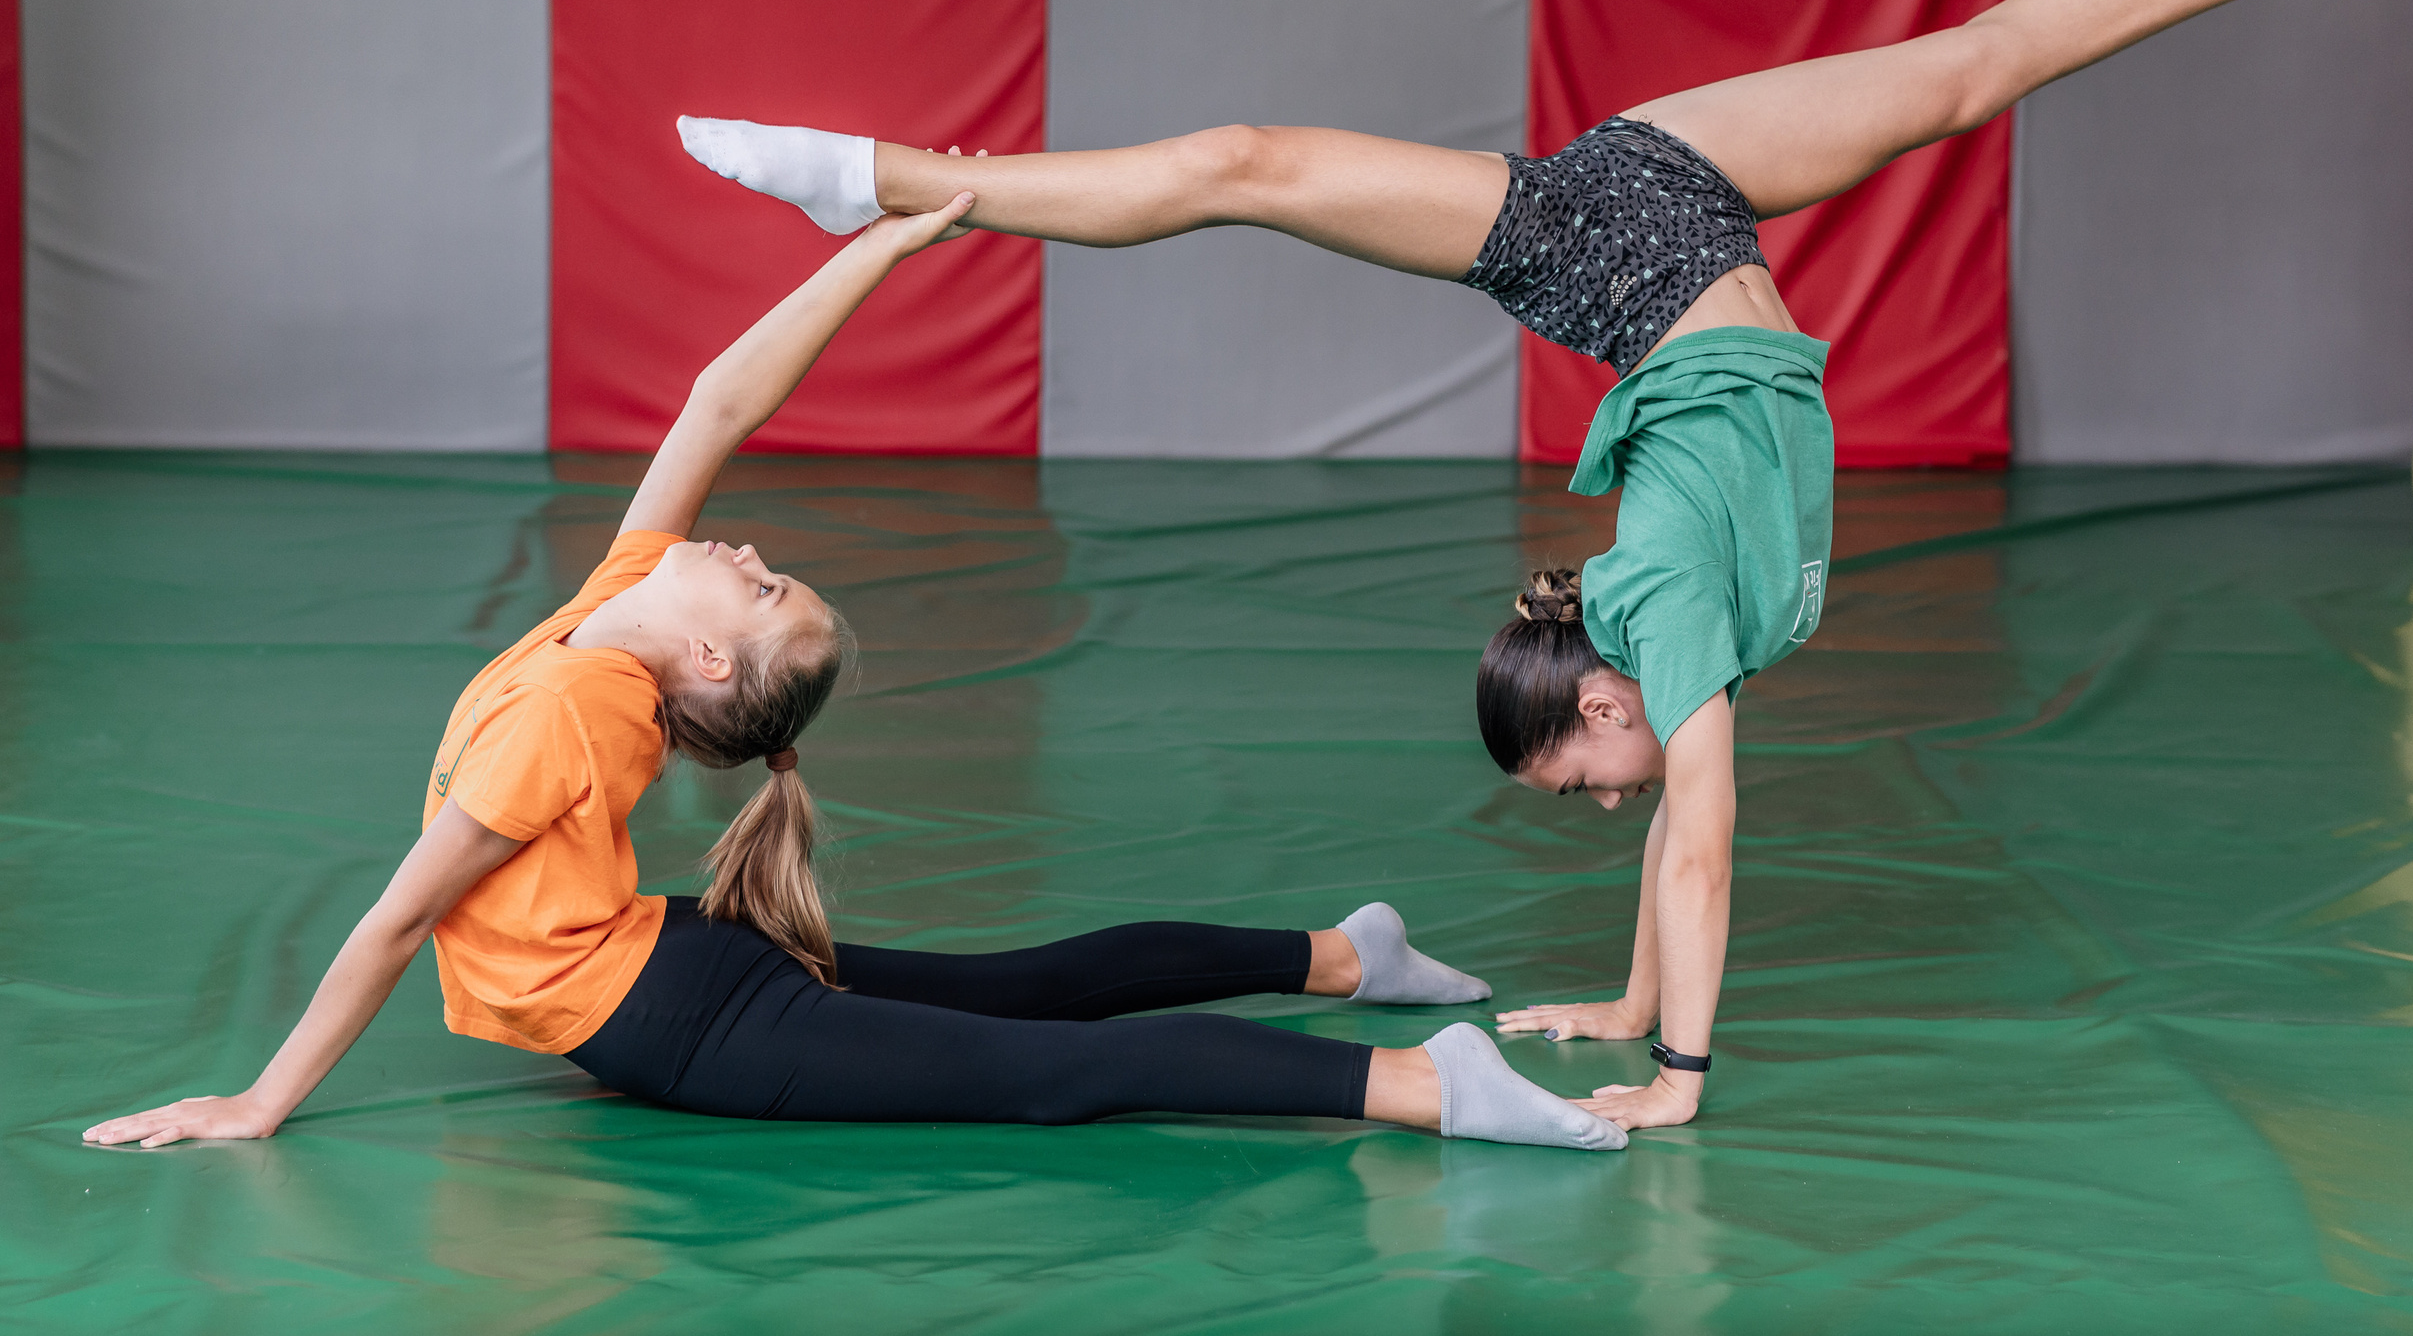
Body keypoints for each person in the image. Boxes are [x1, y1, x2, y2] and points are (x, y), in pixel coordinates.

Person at [672, 0, 2413, 1135]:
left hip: (1610, 248)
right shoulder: (1660, 641)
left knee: (1242, 171)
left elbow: (1695, 838)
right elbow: (1673, 820)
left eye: (1576, 781)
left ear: (1603, 695)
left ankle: (887, 186)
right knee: (1967, 73)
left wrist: (1680, 1063)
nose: (1604, 803)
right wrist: (1624, 1008)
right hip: (1688, 213)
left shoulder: (1666, 625)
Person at [85, 194, 1629, 1154]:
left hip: (677, 1013)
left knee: (1041, 1062)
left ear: (707, 653)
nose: (739, 552)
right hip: (668, 972)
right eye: (755, 569)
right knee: (1023, 1012)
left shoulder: (582, 686)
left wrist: (258, 1099)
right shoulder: (612, 626)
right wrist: (877, 248)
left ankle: (1417, 1066)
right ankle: (1350, 969)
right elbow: (716, 405)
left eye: (756, 584)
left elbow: (396, 918)